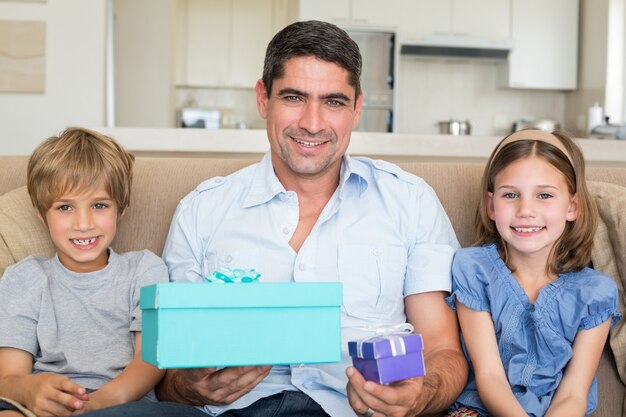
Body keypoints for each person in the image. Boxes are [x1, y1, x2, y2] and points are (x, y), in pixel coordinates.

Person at [76, 20, 468, 417]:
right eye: (294, 97)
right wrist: (190, 387)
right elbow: (172, 371)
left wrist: (420, 394)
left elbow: (443, 350)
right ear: (263, 98)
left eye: (333, 101)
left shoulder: (409, 200)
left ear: (357, 107)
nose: (312, 123)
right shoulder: (202, 210)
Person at [445, 129, 621, 417]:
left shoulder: (595, 292)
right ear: (491, 206)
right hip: (484, 411)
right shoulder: (473, 269)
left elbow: (574, 394)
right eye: (511, 194)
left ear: (572, 206)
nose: (526, 209)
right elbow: (490, 377)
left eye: (544, 195)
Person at [0, 127, 169, 416]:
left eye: (99, 205)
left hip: (122, 404)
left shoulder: (145, 269)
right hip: (43, 405)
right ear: (42, 215)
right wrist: (30, 390)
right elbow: (9, 379)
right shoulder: (24, 278)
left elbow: (151, 359)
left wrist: (99, 402)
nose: (83, 223)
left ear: (120, 210)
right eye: (65, 207)